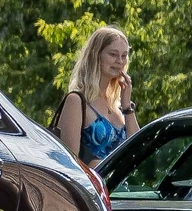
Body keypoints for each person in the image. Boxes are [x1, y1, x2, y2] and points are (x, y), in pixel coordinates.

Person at [57, 26, 139, 166]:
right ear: (96, 55)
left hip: (122, 187)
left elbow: (138, 150)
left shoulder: (118, 105)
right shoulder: (76, 101)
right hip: (92, 187)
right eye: (113, 54)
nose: (120, 61)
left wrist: (127, 107)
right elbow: (69, 163)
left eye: (124, 56)